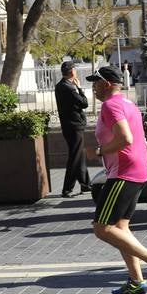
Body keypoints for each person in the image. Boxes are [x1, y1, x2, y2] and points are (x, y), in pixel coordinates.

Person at [89, 65, 147, 294]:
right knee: (121, 228)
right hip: (138, 170)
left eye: (95, 83)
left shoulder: (110, 105)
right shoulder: (128, 104)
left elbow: (125, 138)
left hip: (123, 173)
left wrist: (99, 151)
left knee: (102, 228)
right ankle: (137, 283)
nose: (93, 88)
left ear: (106, 84)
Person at [55, 60, 91, 198]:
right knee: (75, 157)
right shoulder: (69, 87)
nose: (76, 71)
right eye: (75, 69)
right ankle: (67, 189)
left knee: (79, 155)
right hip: (74, 126)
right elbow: (84, 103)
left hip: (69, 126)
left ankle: (85, 184)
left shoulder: (60, 86)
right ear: (72, 72)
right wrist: (80, 88)